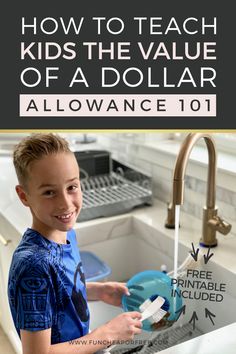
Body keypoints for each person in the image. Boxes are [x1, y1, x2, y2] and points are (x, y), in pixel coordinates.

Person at [8, 133, 142, 354]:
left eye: (72, 187)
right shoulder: (33, 266)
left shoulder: (66, 233)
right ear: (24, 196)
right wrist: (107, 333)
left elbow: (58, 293)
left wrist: (97, 291)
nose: (66, 204)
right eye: (49, 192)